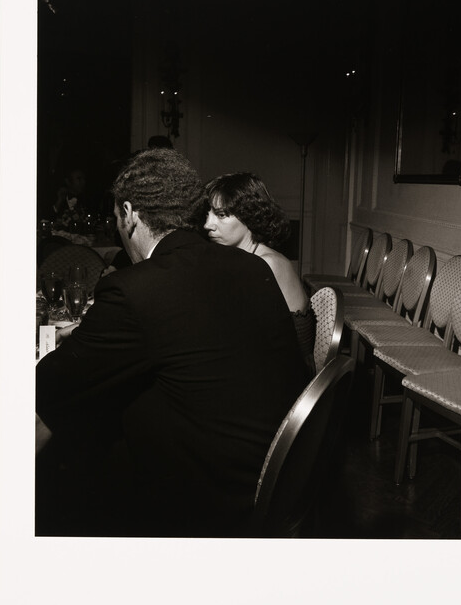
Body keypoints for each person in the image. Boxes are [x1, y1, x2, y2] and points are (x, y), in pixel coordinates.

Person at [36, 149, 308, 537]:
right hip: (274, 472)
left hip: (208, 497)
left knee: (71, 436)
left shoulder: (135, 288)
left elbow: (51, 385)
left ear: (129, 214)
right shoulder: (252, 266)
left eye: (117, 218)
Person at [204, 172, 316, 377]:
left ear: (250, 215)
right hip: (265, 364)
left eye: (220, 215)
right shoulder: (249, 258)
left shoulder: (267, 264)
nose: (207, 225)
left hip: (286, 376)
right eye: (208, 214)